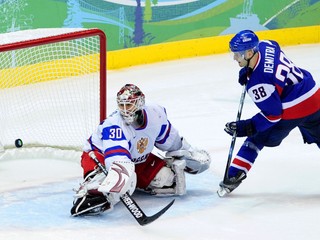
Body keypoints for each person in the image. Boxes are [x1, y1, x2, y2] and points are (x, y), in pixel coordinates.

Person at [71, 84, 211, 216]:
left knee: (166, 179)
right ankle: (88, 196)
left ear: (140, 103)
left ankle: (133, 181)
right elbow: (117, 160)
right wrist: (120, 180)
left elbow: (170, 141)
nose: (125, 109)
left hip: (137, 159)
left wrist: (187, 152)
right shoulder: (114, 125)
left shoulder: (155, 113)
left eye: (129, 104)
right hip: (99, 156)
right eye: (122, 105)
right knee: (110, 188)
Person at [219, 29, 320, 195]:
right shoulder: (266, 44)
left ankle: (233, 176)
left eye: (238, 54)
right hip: (314, 95)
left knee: (258, 136)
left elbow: (273, 114)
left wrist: (247, 126)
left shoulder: (258, 84)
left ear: (250, 52)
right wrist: (249, 70)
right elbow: (273, 52)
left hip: (295, 106)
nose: (235, 58)